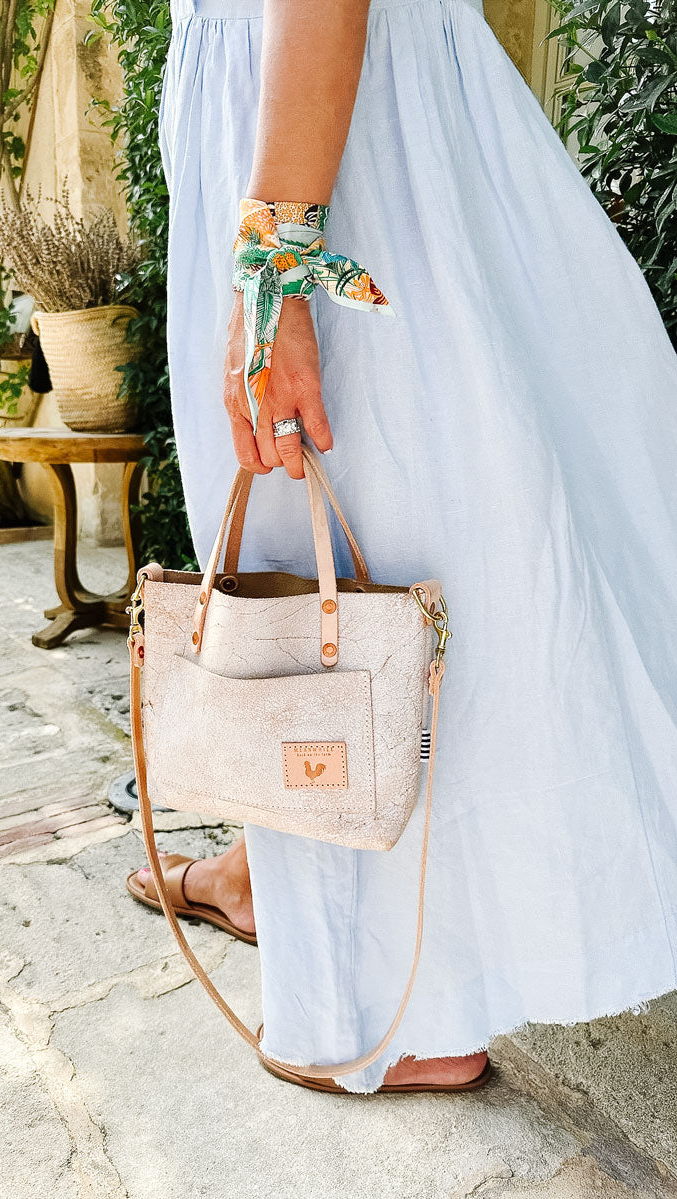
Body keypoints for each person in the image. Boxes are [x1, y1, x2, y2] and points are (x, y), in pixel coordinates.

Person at [128, 0, 677, 1094]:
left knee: (326, 564)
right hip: (333, 104)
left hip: (315, 129)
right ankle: (287, 886)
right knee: (430, 525)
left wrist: (276, 257)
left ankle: (386, 1010)